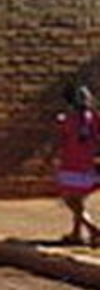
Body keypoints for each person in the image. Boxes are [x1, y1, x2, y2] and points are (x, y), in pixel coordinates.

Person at [56, 84, 99, 247]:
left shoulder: (69, 119)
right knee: (79, 199)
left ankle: (93, 228)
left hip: (72, 164)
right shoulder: (94, 117)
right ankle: (76, 233)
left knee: (70, 199)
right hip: (89, 164)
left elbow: (64, 137)